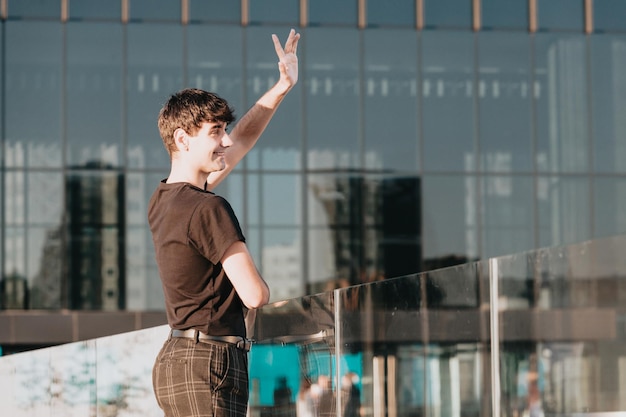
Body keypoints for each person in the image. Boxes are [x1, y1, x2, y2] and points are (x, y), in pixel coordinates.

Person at [148, 28, 300, 417]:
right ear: (183, 139)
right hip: (212, 362)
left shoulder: (164, 200)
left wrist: (281, 87)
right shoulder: (209, 208)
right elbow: (255, 296)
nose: (226, 141)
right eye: (215, 132)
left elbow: (242, 141)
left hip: (176, 360)